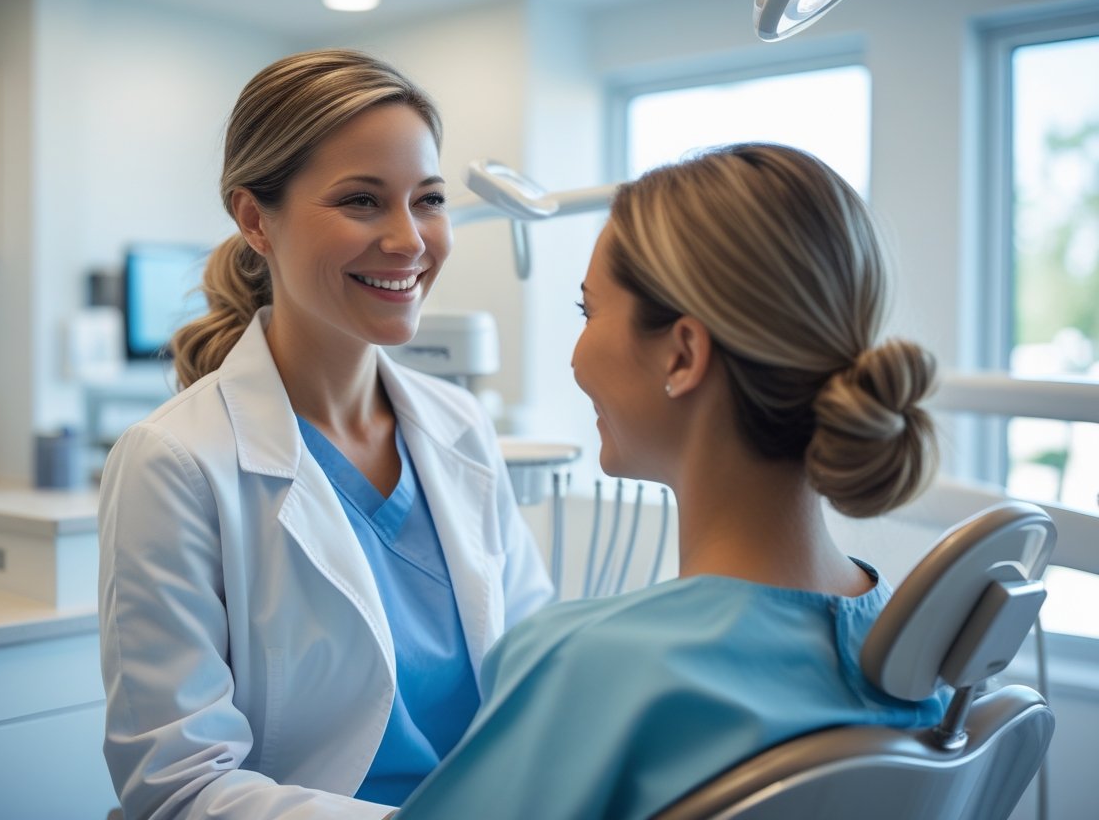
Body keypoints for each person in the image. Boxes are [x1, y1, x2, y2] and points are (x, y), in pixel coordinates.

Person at [394, 143, 951, 820]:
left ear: (683, 355)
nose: (575, 357)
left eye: (587, 312)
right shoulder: (911, 667)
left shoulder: (591, 669)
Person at [96, 49, 552, 820]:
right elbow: (180, 786)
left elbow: (539, 673)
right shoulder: (174, 464)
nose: (410, 240)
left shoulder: (460, 425)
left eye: (429, 199)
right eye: (362, 202)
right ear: (254, 220)